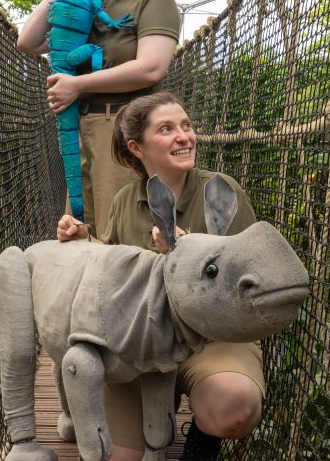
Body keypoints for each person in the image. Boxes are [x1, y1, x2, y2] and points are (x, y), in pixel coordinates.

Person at [56, 93, 265, 461]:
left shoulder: (220, 191)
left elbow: (254, 272)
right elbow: (112, 262)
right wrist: (85, 240)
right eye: (167, 129)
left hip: (212, 339)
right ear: (137, 147)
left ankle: (199, 449)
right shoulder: (124, 200)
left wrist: (191, 262)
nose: (184, 136)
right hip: (143, 344)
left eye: (186, 126)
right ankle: (156, 412)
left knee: (234, 407)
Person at [17, 0, 180, 239]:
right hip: (83, 130)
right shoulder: (88, 0)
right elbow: (28, 41)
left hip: (125, 131)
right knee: (77, 237)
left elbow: (151, 67)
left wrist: (77, 84)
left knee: (118, 241)